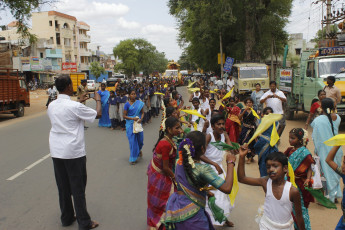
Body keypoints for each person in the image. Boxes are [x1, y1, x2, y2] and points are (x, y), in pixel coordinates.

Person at [47, 75, 102, 230]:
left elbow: (67, 112)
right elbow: (98, 114)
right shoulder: (74, 107)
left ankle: (67, 217)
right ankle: (84, 222)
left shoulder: (52, 105)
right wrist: (97, 99)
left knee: (63, 187)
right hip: (73, 152)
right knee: (78, 188)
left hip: (57, 151)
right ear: (69, 86)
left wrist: (80, 102)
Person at [163, 131, 236, 230]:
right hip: (194, 217)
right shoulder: (203, 169)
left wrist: (205, 191)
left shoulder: (179, 162)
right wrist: (230, 163)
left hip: (177, 210)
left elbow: (191, 182)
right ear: (202, 149)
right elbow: (227, 188)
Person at [238, 149, 306, 230]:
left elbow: (299, 216)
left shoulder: (292, 191)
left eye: (275, 166)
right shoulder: (265, 183)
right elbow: (242, 179)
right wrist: (242, 156)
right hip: (266, 225)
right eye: (268, 167)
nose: (271, 169)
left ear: (285, 168)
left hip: (285, 227)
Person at [147, 117, 182, 230]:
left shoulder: (170, 140)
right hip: (161, 175)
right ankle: (158, 223)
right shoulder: (165, 144)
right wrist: (175, 179)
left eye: (180, 127)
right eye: (177, 128)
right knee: (162, 200)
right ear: (169, 129)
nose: (180, 130)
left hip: (163, 172)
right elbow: (166, 168)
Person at [202, 114, 235, 227]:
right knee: (212, 197)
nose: (221, 126)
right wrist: (214, 164)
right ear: (212, 126)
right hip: (208, 168)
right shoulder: (208, 137)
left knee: (224, 196)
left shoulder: (224, 135)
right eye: (218, 124)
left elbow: (231, 150)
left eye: (222, 124)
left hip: (219, 169)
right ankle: (210, 222)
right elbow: (200, 155)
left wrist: (229, 140)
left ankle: (224, 218)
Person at [311, 98, 343, 202]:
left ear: (321, 107)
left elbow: (316, 137)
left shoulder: (317, 120)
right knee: (336, 172)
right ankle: (335, 195)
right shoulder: (337, 117)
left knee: (325, 173)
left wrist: (316, 150)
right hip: (337, 150)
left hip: (325, 151)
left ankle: (329, 196)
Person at [284, 128, 314, 230]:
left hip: (299, 184)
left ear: (300, 140)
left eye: (293, 138)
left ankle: (301, 226)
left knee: (299, 207)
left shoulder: (305, 153)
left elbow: (309, 167)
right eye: (289, 138)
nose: (290, 140)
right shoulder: (289, 150)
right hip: (287, 181)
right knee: (287, 205)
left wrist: (308, 179)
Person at [254, 107, 279, 177]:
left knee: (273, 162)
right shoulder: (260, 122)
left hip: (272, 146)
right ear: (263, 114)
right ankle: (264, 179)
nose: (269, 115)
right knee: (263, 163)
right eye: (267, 114)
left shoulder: (276, 123)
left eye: (271, 114)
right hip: (262, 144)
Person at [326, 145, 345, 230]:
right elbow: (329, 160)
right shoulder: (344, 174)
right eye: (344, 162)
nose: (343, 166)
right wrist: (337, 144)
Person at [123, 89, 145, 165]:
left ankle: (139, 150)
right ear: (129, 95)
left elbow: (142, 113)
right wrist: (133, 118)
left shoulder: (139, 103)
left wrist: (141, 119)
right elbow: (124, 116)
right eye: (132, 94)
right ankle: (133, 158)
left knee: (140, 141)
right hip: (130, 124)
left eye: (134, 94)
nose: (133, 95)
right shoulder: (127, 104)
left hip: (138, 124)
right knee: (132, 142)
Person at [238, 97, 257, 163]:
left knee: (252, 142)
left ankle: (251, 156)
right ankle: (247, 156)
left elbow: (255, 119)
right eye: (247, 102)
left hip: (252, 129)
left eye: (250, 102)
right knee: (245, 142)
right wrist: (244, 111)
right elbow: (239, 118)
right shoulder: (242, 109)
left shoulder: (254, 110)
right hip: (245, 129)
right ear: (245, 103)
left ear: (252, 103)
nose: (249, 104)